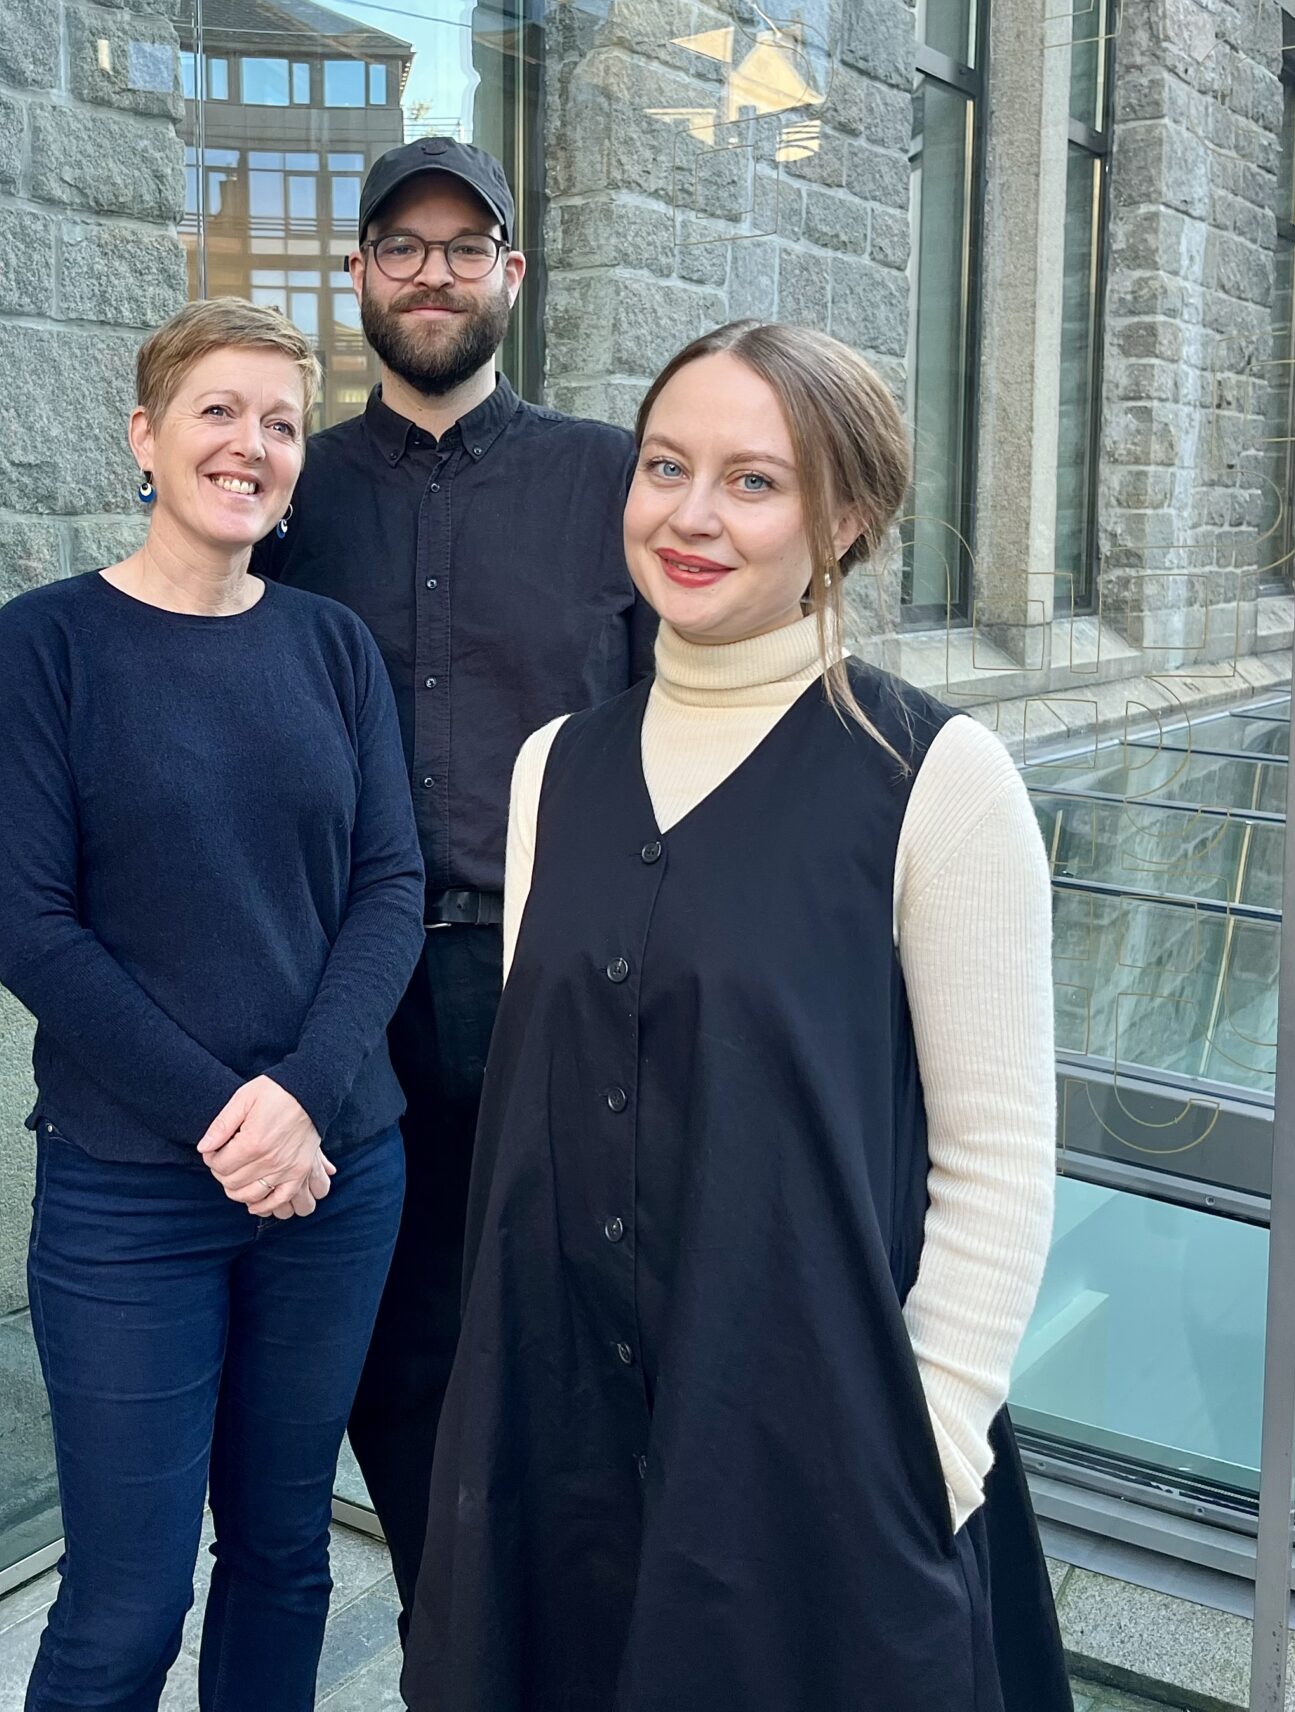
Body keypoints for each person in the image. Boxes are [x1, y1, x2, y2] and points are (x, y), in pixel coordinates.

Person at [405, 321, 1071, 1711]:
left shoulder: (937, 779)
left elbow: (998, 1156)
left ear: (847, 518)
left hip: (816, 1458)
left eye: (753, 481)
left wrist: (929, 1446)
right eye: (665, 466)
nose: (690, 516)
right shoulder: (552, 769)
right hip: (564, 1442)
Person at [0, 299, 423, 1710]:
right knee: (128, 1600)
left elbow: (390, 887)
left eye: (282, 423)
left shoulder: (333, 646)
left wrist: (301, 1098)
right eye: (219, 410)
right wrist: (236, 1116)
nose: (252, 444)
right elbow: (34, 933)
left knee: (283, 1555)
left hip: (333, 1176)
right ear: (145, 437)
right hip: (129, 1195)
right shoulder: (48, 644)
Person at [252, 136, 654, 1626]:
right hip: (346, 990)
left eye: (463, 247)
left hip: (555, 973)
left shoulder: (611, 480)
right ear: (359, 274)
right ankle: (450, 1639)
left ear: (511, 275)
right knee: (393, 1344)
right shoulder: (287, 492)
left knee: (574, 1327)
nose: (434, 274)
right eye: (403, 248)